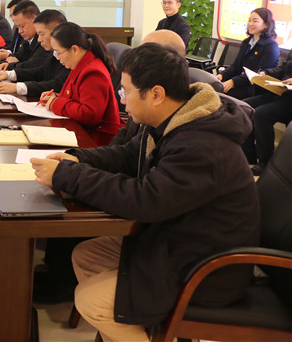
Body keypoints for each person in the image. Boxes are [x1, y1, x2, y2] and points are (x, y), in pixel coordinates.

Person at [31, 43, 259, 342]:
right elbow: (129, 155)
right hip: (178, 240)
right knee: (87, 255)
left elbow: (146, 200)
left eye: (125, 91)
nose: (121, 99)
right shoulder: (174, 119)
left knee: (91, 300)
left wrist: (68, 176)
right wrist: (76, 159)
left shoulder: (201, 144)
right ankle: (137, 325)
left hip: (206, 268)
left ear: (156, 94)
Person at [40, 22, 123, 144]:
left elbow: (90, 114)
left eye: (58, 52)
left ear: (74, 49)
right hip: (81, 130)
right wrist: (56, 96)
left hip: (95, 139)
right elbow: (76, 97)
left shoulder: (93, 72)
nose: (57, 58)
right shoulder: (79, 64)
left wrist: (55, 103)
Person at [0, 9, 68, 97]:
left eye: (42, 34)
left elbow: (57, 85)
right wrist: (9, 74)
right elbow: (40, 72)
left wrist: (18, 88)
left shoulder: (69, 55)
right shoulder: (54, 52)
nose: (39, 39)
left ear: (57, 32)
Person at [242, 55, 292, 175]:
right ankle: (249, 152)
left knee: (262, 114)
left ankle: (265, 161)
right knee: (245, 107)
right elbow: (283, 68)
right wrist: (266, 73)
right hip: (282, 92)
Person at [217, 7, 280, 100]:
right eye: (249, 20)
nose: (250, 24)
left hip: (255, 88)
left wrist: (233, 82)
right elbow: (236, 66)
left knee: (222, 96)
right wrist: (222, 75)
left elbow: (258, 73)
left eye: (255, 21)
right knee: (213, 88)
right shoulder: (246, 42)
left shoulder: (270, 45)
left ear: (266, 24)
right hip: (242, 81)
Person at [0, 0, 41, 69]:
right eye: (18, 27)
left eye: (22, 26)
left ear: (34, 20)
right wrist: (10, 59)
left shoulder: (44, 40)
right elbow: (18, 56)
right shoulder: (29, 41)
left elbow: (34, 66)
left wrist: (12, 64)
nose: (20, 31)